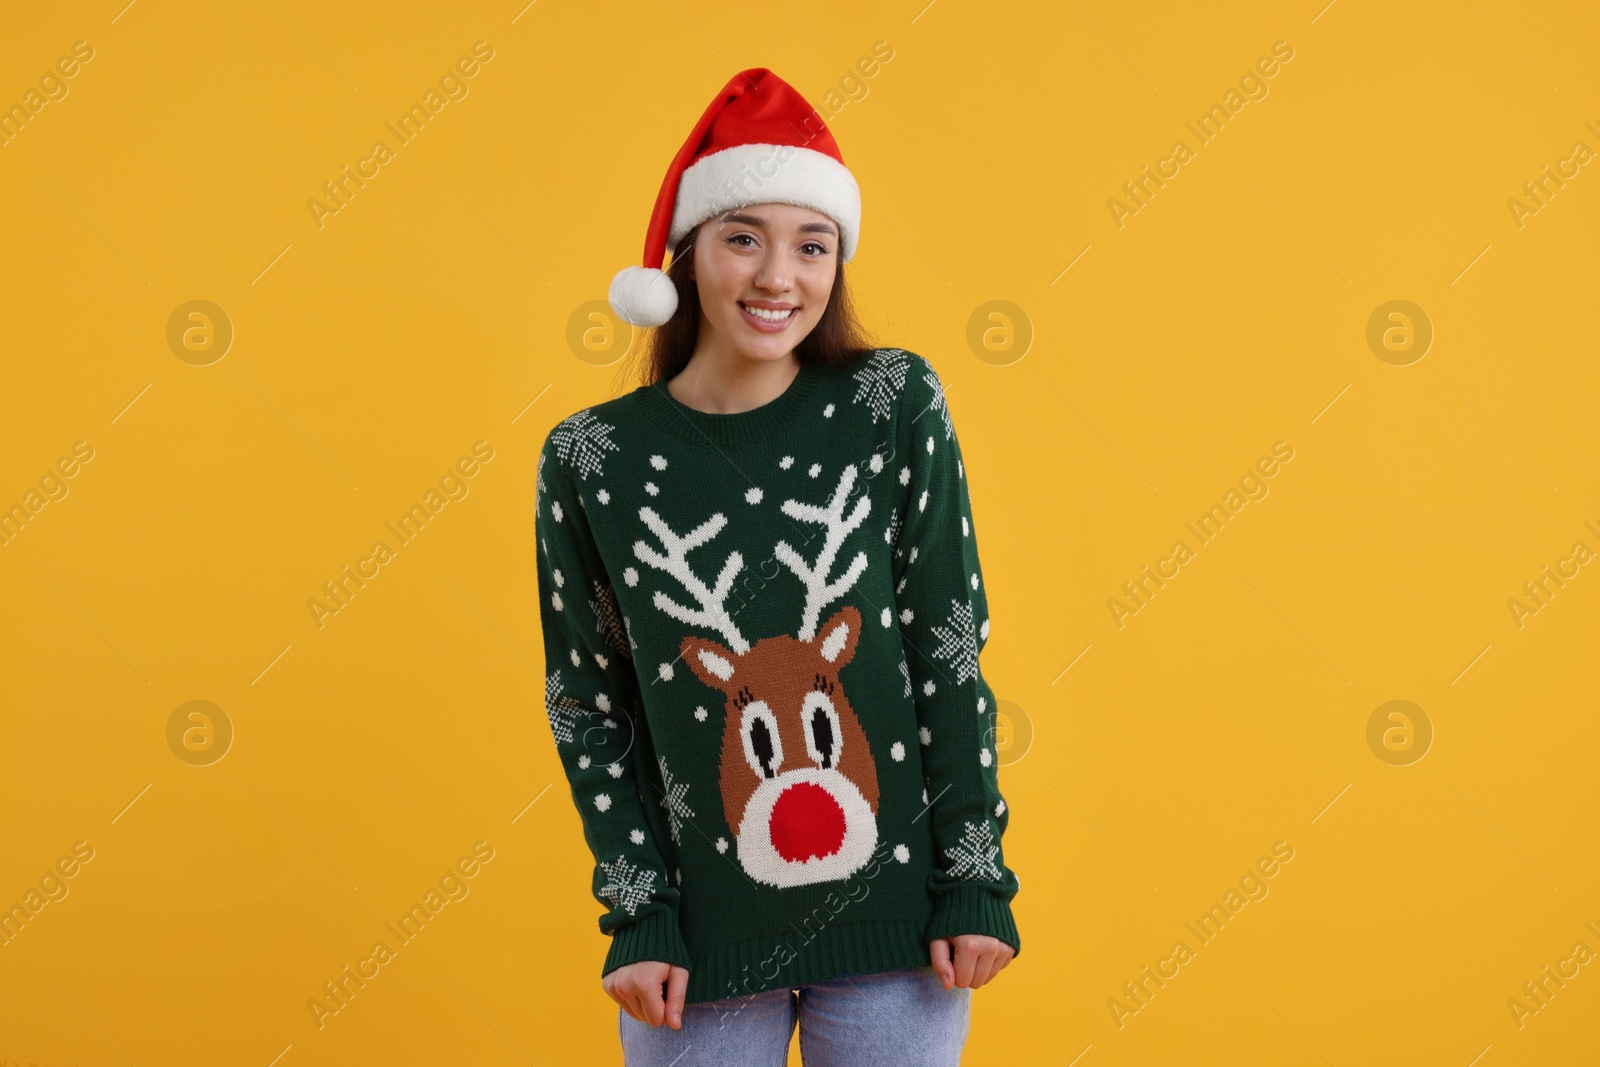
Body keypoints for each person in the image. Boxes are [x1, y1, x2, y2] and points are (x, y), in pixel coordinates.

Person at [535, 68, 1020, 1066]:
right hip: (695, 949)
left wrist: (975, 874)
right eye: (743, 237)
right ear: (686, 255)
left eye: (812, 245)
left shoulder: (893, 402)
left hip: (898, 930)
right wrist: (636, 909)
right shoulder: (591, 457)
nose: (777, 278)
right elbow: (587, 699)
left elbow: (948, 642)